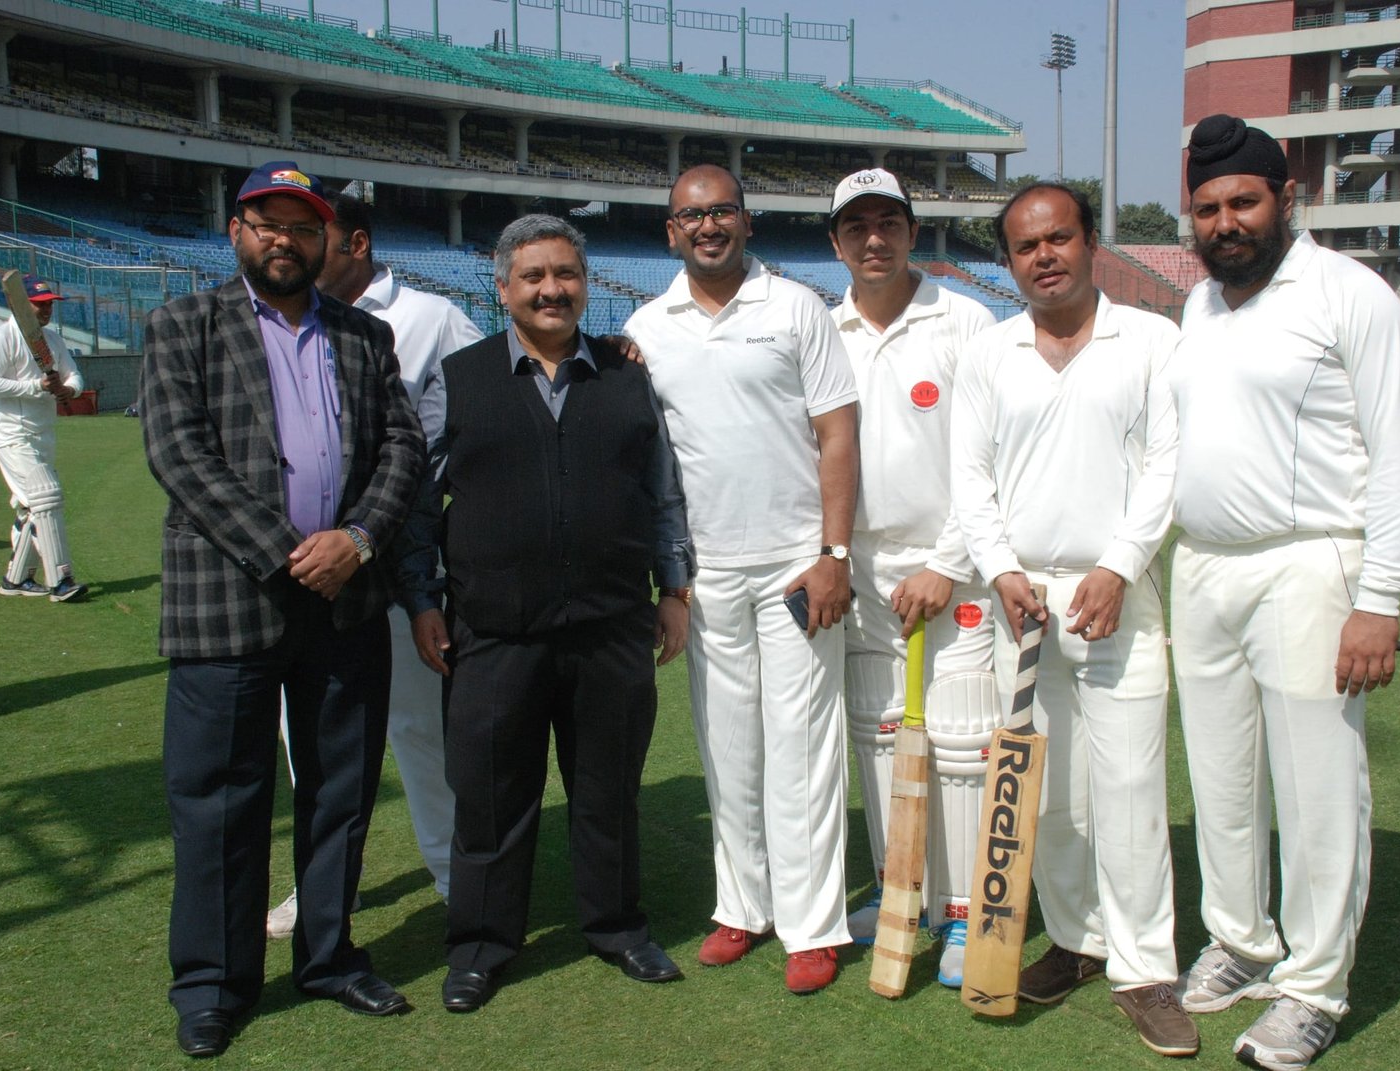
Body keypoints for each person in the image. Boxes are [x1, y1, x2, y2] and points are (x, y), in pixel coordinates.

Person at [140, 161, 425, 1059]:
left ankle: (330, 954)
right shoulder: (184, 322)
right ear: (236, 231)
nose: (285, 240)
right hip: (229, 600)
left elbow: (404, 450)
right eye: (267, 222)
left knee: (340, 794)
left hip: (345, 598)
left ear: (327, 241)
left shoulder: (364, 335)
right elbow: (178, 453)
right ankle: (214, 983)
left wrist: (359, 541)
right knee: (221, 799)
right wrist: (286, 551)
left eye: (303, 227)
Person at [1167, 115, 1400, 1071]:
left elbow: (1399, 457)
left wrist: (1380, 598)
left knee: (1318, 790)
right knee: (1223, 780)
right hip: (1201, 567)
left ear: (1286, 200)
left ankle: (1314, 987)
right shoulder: (1199, 307)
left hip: (1311, 562)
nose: (1226, 222)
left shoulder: (1350, 295)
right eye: (1208, 208)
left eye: (1244, 202)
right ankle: (1241, 938)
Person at [399, 214, 693, 1012]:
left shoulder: (627, 377)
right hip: (493, 632)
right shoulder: (458, 378)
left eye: (565, 274)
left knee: (608, 792)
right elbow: (420, 502)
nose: (551, 289)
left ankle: (617, 926)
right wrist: (423, 598)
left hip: (610, 628)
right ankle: (481, 946)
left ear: (585, 284)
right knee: (491, 797)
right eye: (533, 277)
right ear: (503, 289)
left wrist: (674, 587)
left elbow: (662, 493)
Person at [950, 182, 1194, 1056]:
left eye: (1059, 237)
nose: (1044, 255)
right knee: (1041, 790)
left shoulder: (1152, 340)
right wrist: (1003, 569)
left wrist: (1122, 563)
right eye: (1025, 245)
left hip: (1115, 597)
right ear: (1009, 260)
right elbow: (969, 477)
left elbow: (1168, 465)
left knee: (1129, 791)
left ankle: (1145, 969)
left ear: (1092, 242)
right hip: (1023, 604)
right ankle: (1079, 939)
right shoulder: (990, 351)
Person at [625, 164, 860, 995]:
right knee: (728, 747)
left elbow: (838, 433)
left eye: (722, 211)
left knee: (801, 748)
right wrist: (671, 581)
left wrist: (834, 555)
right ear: (670, 232)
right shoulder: (645, 327)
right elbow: (648, 460)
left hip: (799, 565)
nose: (708, 226)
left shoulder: (797, 307)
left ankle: (812, 924)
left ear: (747, 222)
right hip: (707, 571)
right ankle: (742, 906)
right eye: (692, 216)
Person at [262, 193, 484, 939]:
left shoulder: (432, 317)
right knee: (310, 735)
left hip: (397, 569)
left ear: (355, 241)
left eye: (311, 233)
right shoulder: (281, 318)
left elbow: (482, 417)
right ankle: (325, 887)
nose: (294, 245)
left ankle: (460, 881)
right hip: (298, 568)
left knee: (419, 730)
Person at [825, 167, 999, 987]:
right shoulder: (822, 331)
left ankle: (962, 912)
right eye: (856, 226)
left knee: (962, 740)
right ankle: (906, 890)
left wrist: (948, 562)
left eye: (887, 222)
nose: (873, 239)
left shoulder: (965, 321)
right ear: (835, 241)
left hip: (951, 567)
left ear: (910, 230)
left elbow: (989, 461)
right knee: (879, 730)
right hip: (859, 568)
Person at [0, 275, 89, 603]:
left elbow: (74, 376)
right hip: (11, 433)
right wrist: (35, 386)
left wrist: (67, 389)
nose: (46, 310)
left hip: (43, 432)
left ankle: (16, 579)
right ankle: (61, 580)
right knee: (46, 497)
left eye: (49, 304)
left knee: (32, 508)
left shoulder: (52, 340)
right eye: (39, 304)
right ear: (19, 305)